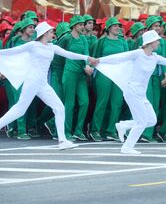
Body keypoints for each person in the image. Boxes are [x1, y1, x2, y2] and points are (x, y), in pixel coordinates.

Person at [95, 30, 166, 154]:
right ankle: (127, 147)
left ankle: (123, 125)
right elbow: (118, 57)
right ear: (150, 43)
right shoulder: (138, 54)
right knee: (141, 122)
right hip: (132, 91)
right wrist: (98, 60)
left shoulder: (155, 57)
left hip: (141, 94)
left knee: (151, 120)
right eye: (157, 41)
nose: (159, 43)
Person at [0, 22, 98, 150]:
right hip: (32, 81)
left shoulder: (52, 47)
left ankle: (62, 141)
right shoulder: (33, 45)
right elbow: (10, 52)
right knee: (20, 110)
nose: (53, 34)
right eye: (51, 31)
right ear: (45, 33)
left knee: (59, 108)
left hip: (42, 84)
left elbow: (69, 54)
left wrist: (87, 57)